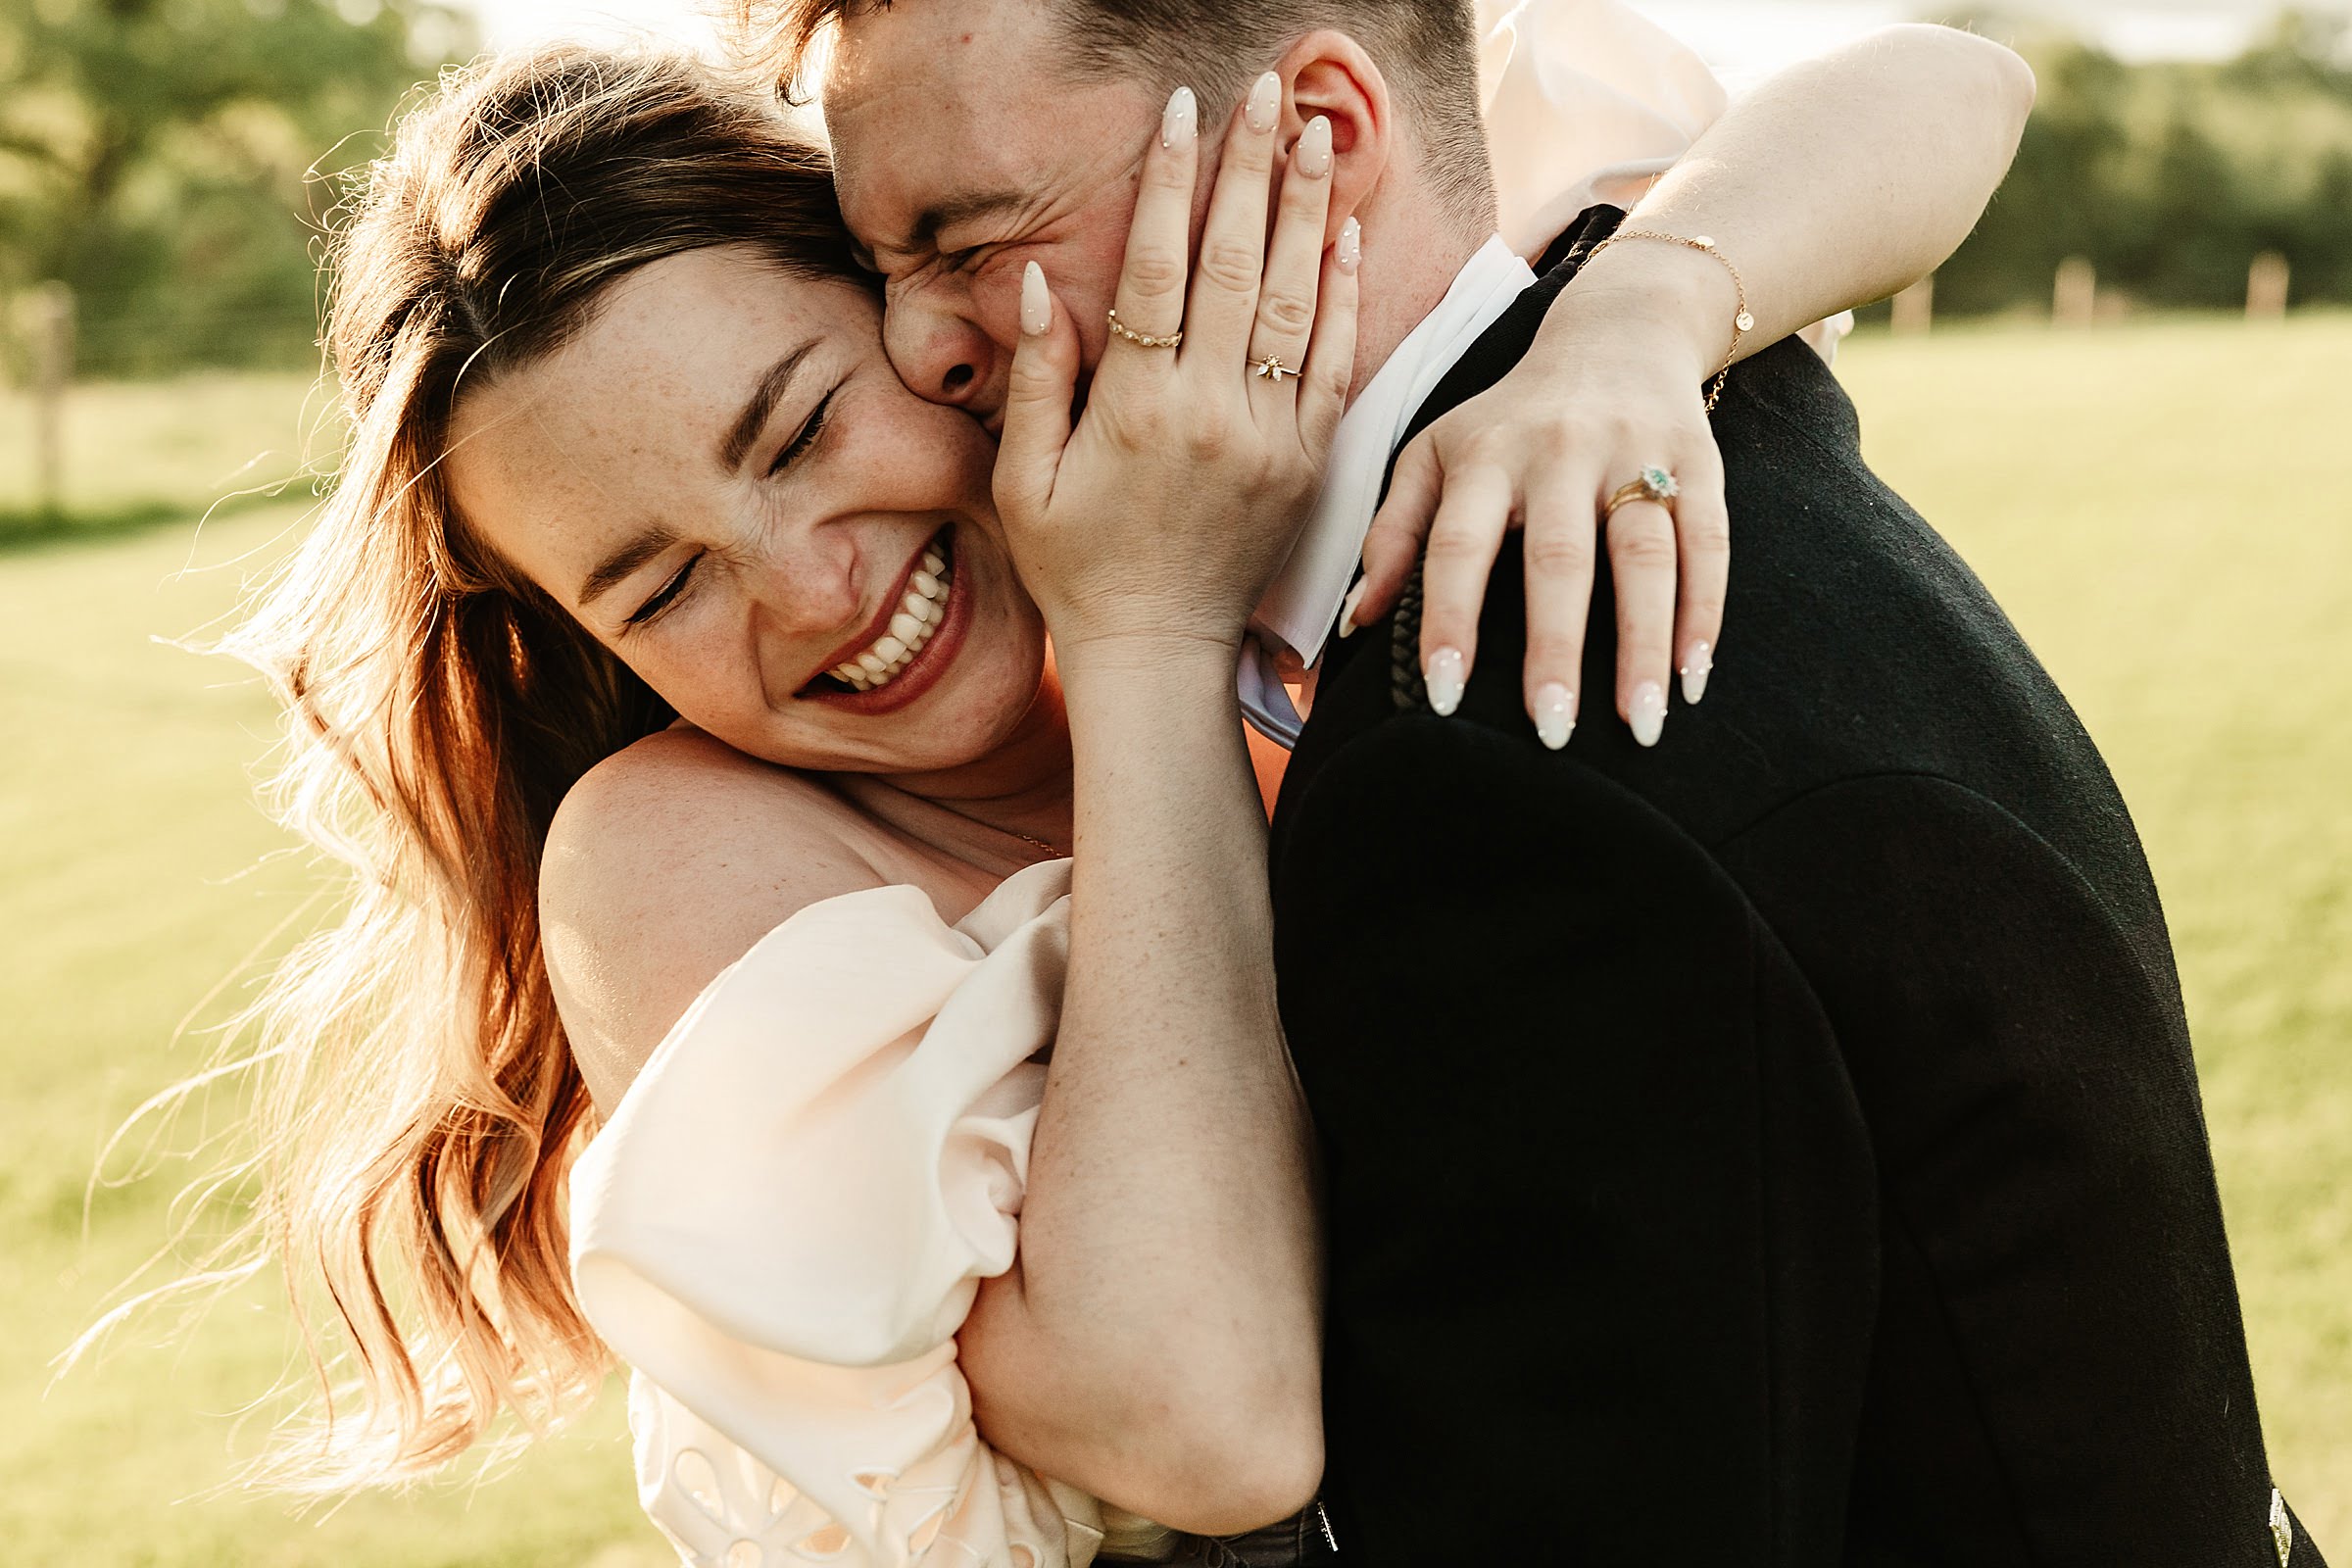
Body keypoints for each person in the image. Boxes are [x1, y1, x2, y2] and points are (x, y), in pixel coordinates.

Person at [120, 9, 2102, 1568]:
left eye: (806, 424)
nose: (809, 584)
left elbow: (1949, 83)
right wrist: (1143, 634)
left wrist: (1645, 309)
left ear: (937, 316)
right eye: (660, 586)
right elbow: (1210, 1421)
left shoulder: (1231, 373)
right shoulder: (677, 851)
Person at [761, 0, 2327, 1564]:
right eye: (880, 271)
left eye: (967, 239)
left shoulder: (1475, 760)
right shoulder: (1714, 403)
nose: (922, 348)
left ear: (1316, 133)